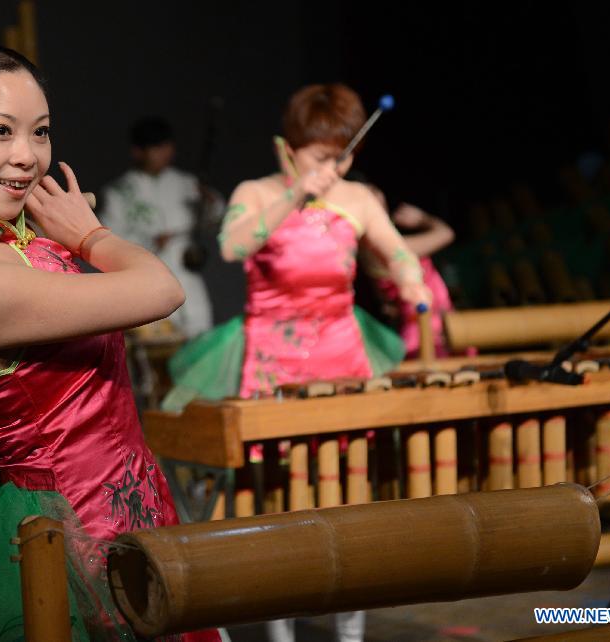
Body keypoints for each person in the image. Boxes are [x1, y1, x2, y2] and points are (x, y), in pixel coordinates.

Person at [0, 44, 220, 641]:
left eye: (41, 132)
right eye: (0, 131)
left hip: (133, 502)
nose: (26, 157)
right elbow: (161, 289)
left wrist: (4, 425)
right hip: (79, 539)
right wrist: (91, 234)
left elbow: (35, 378)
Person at [162, 83, 430, 642]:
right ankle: (280, 628)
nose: (333, 166)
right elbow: (233, 247)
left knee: (348, 490)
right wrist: (296, 195)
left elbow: (397, 252)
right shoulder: (256, 191)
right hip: (271, 360)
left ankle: (349, 628)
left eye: (341, 155)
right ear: (288, 148)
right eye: (319, 155)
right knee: (276, 492)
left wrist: (410, 279)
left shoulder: (359, 199)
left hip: (342, 356)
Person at [100, 116, 221, 339]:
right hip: (147, 277)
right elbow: (108, 239)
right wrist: (150, 241)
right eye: (156, 147)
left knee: (201, 336)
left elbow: (214, 218)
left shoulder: (186, 183)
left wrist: (210, 203)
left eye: (167, 146)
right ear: (138, 151)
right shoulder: (119, 192)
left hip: (187, 274)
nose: (165, 153)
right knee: (159, 347)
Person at [355, 182, 455, 358]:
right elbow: (446, 234)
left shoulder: (365, 253)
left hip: (427, 325)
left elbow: (384, 300)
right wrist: (423, 219)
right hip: (427, 330)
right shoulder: (394, 250)